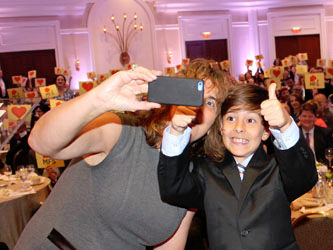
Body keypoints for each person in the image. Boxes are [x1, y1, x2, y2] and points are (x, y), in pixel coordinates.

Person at [16, 60, 230, 249]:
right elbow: (40, 142)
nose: (197, 105)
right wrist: (99, 100)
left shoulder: (191, 177)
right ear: (170, 96)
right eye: (192, 92)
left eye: (210, 102)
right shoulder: (122, 130)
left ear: (214, 123)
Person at [157, 83, 317, 250]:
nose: (239, 128)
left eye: (250, 120)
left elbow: (305, 177)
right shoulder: (206, 171)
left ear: (266, 132)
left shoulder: (279, 170)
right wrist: (175, 132)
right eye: (231, 118)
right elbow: (173, 188)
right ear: (221, 126)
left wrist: (285, 126)